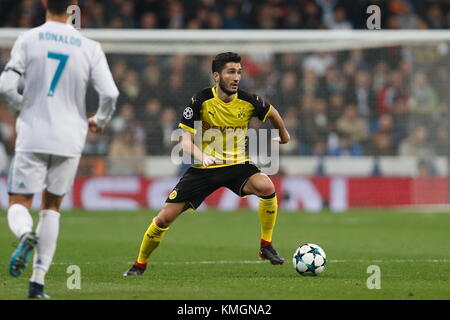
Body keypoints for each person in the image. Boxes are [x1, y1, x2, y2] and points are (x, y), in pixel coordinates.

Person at [123, 52, 290, 276]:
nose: (236, 77)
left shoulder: (249, 101)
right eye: (231, 72)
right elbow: (184, 141)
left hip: (237, 165)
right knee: (164, 218)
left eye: (239, 72)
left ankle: (266, 245)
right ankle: (139, 264)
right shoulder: (200, 100)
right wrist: (202, 156)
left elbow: (272, 112)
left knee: (267, 186)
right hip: (205, 169)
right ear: (217, 76)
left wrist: (284, 134)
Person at [0, 0, 118, 298]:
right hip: (70, 137)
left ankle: (26, 235)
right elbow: (110, 93)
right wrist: (99, 120)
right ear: (73, 7)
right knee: (51, 208)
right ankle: (37, 283)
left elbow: (5, 86)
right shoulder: (89, 46)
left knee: (18, 201)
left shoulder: (28, 39)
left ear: (43, 3)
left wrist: (21, 106)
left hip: (33, 133)